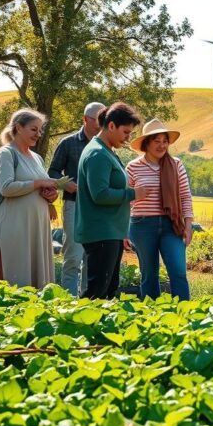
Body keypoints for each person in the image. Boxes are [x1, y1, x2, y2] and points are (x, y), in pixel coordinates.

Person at [75, 102, 146, 299]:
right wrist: (133, 194)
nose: (128, 138)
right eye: (125, 132)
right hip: (101, 232)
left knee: (108, 290)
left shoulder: (107, 151)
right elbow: (100, 194)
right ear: (111, 125)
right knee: (96, 293)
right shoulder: (97, 154)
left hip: (110, 231)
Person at [0, 109, 59, 288]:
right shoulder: (6, 153)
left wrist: (51, 195)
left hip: (37, 226)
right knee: (15, 277)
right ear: (19, 128)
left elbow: (40, 187)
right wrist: (38, 183)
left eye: (40, 130)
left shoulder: (37, 158)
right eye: (34, 129)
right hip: (15, 225)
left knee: (37, 280)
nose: (38, 135)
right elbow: (6, 188)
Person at [126, 119, 194, 300]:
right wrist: (123, 230)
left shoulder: (176, 165)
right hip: (141, 225)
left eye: (165, 141)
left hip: (172, 224)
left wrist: (188, 225)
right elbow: (126, 201)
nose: (162, 145)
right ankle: (152, 314)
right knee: (149, 275)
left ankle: (185, 312)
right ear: (146, 143)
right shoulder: (133, 167)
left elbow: (185, 196)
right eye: (157, 141)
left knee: (178, 272)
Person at [48, 101, 105, 296]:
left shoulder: (105, 146)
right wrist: (66, 184)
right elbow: (53, 171)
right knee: (73, 256)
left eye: (103, 120)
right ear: (85, 119)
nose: (101, 124)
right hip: (74, 204)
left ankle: (88, 302)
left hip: (98, 208)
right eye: (97, 119)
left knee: (93, 258)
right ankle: (68, 302)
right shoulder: (68, 143)